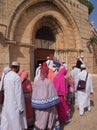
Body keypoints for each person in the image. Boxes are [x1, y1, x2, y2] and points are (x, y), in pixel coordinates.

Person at [32, 65, 60, 130]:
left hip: (38, 106)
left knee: (40, 119)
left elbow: (34, 94)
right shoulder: (49, 82)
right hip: (48, 107)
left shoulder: (36, 82)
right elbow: (53, 94)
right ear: (47, 73)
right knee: (49, 118)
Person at [1, 61, 27, 130]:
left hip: (6, 103)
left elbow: (3, 88)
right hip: (14, 105)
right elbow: (18, 94)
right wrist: (21, 108)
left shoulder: (6, 76)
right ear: (17, 68)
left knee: (6, 123)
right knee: (15, 124)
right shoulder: (16, 77)